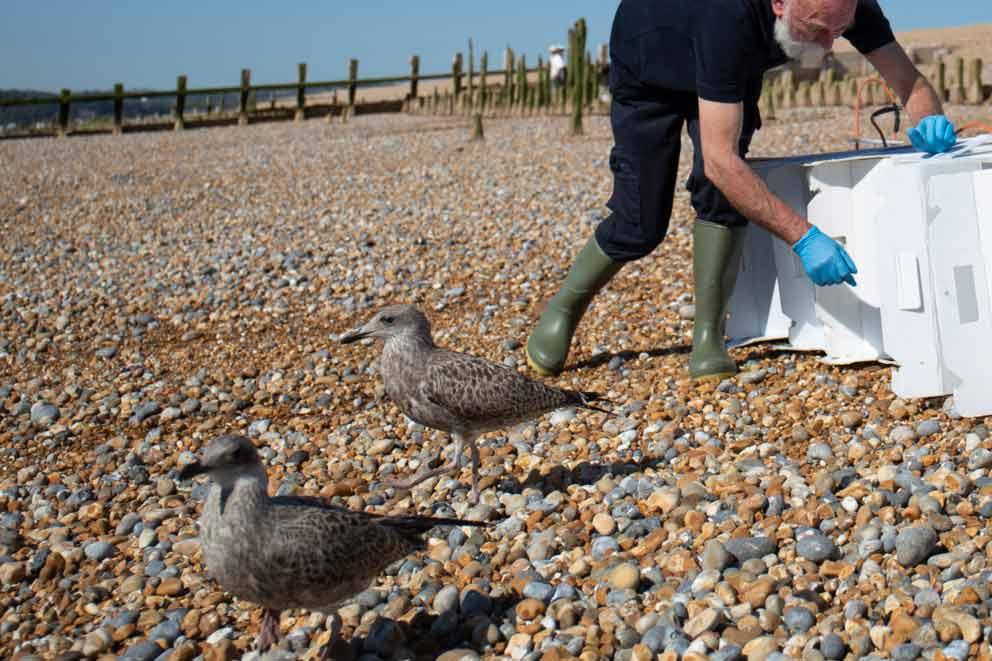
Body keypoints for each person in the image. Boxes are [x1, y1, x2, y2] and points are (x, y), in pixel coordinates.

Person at [526, 0, 955, 381]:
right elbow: (720, 163)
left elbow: (908, 81)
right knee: (640, 223)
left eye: (838, 32)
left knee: (723, 201)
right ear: (778, 3)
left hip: (730, 68)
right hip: (650, 67)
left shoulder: (845, 5)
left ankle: (709, 335)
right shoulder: (727, 16)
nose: (827, 46)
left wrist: (927, 119)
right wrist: (803, 238)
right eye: (815, 29)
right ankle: (562, 311)